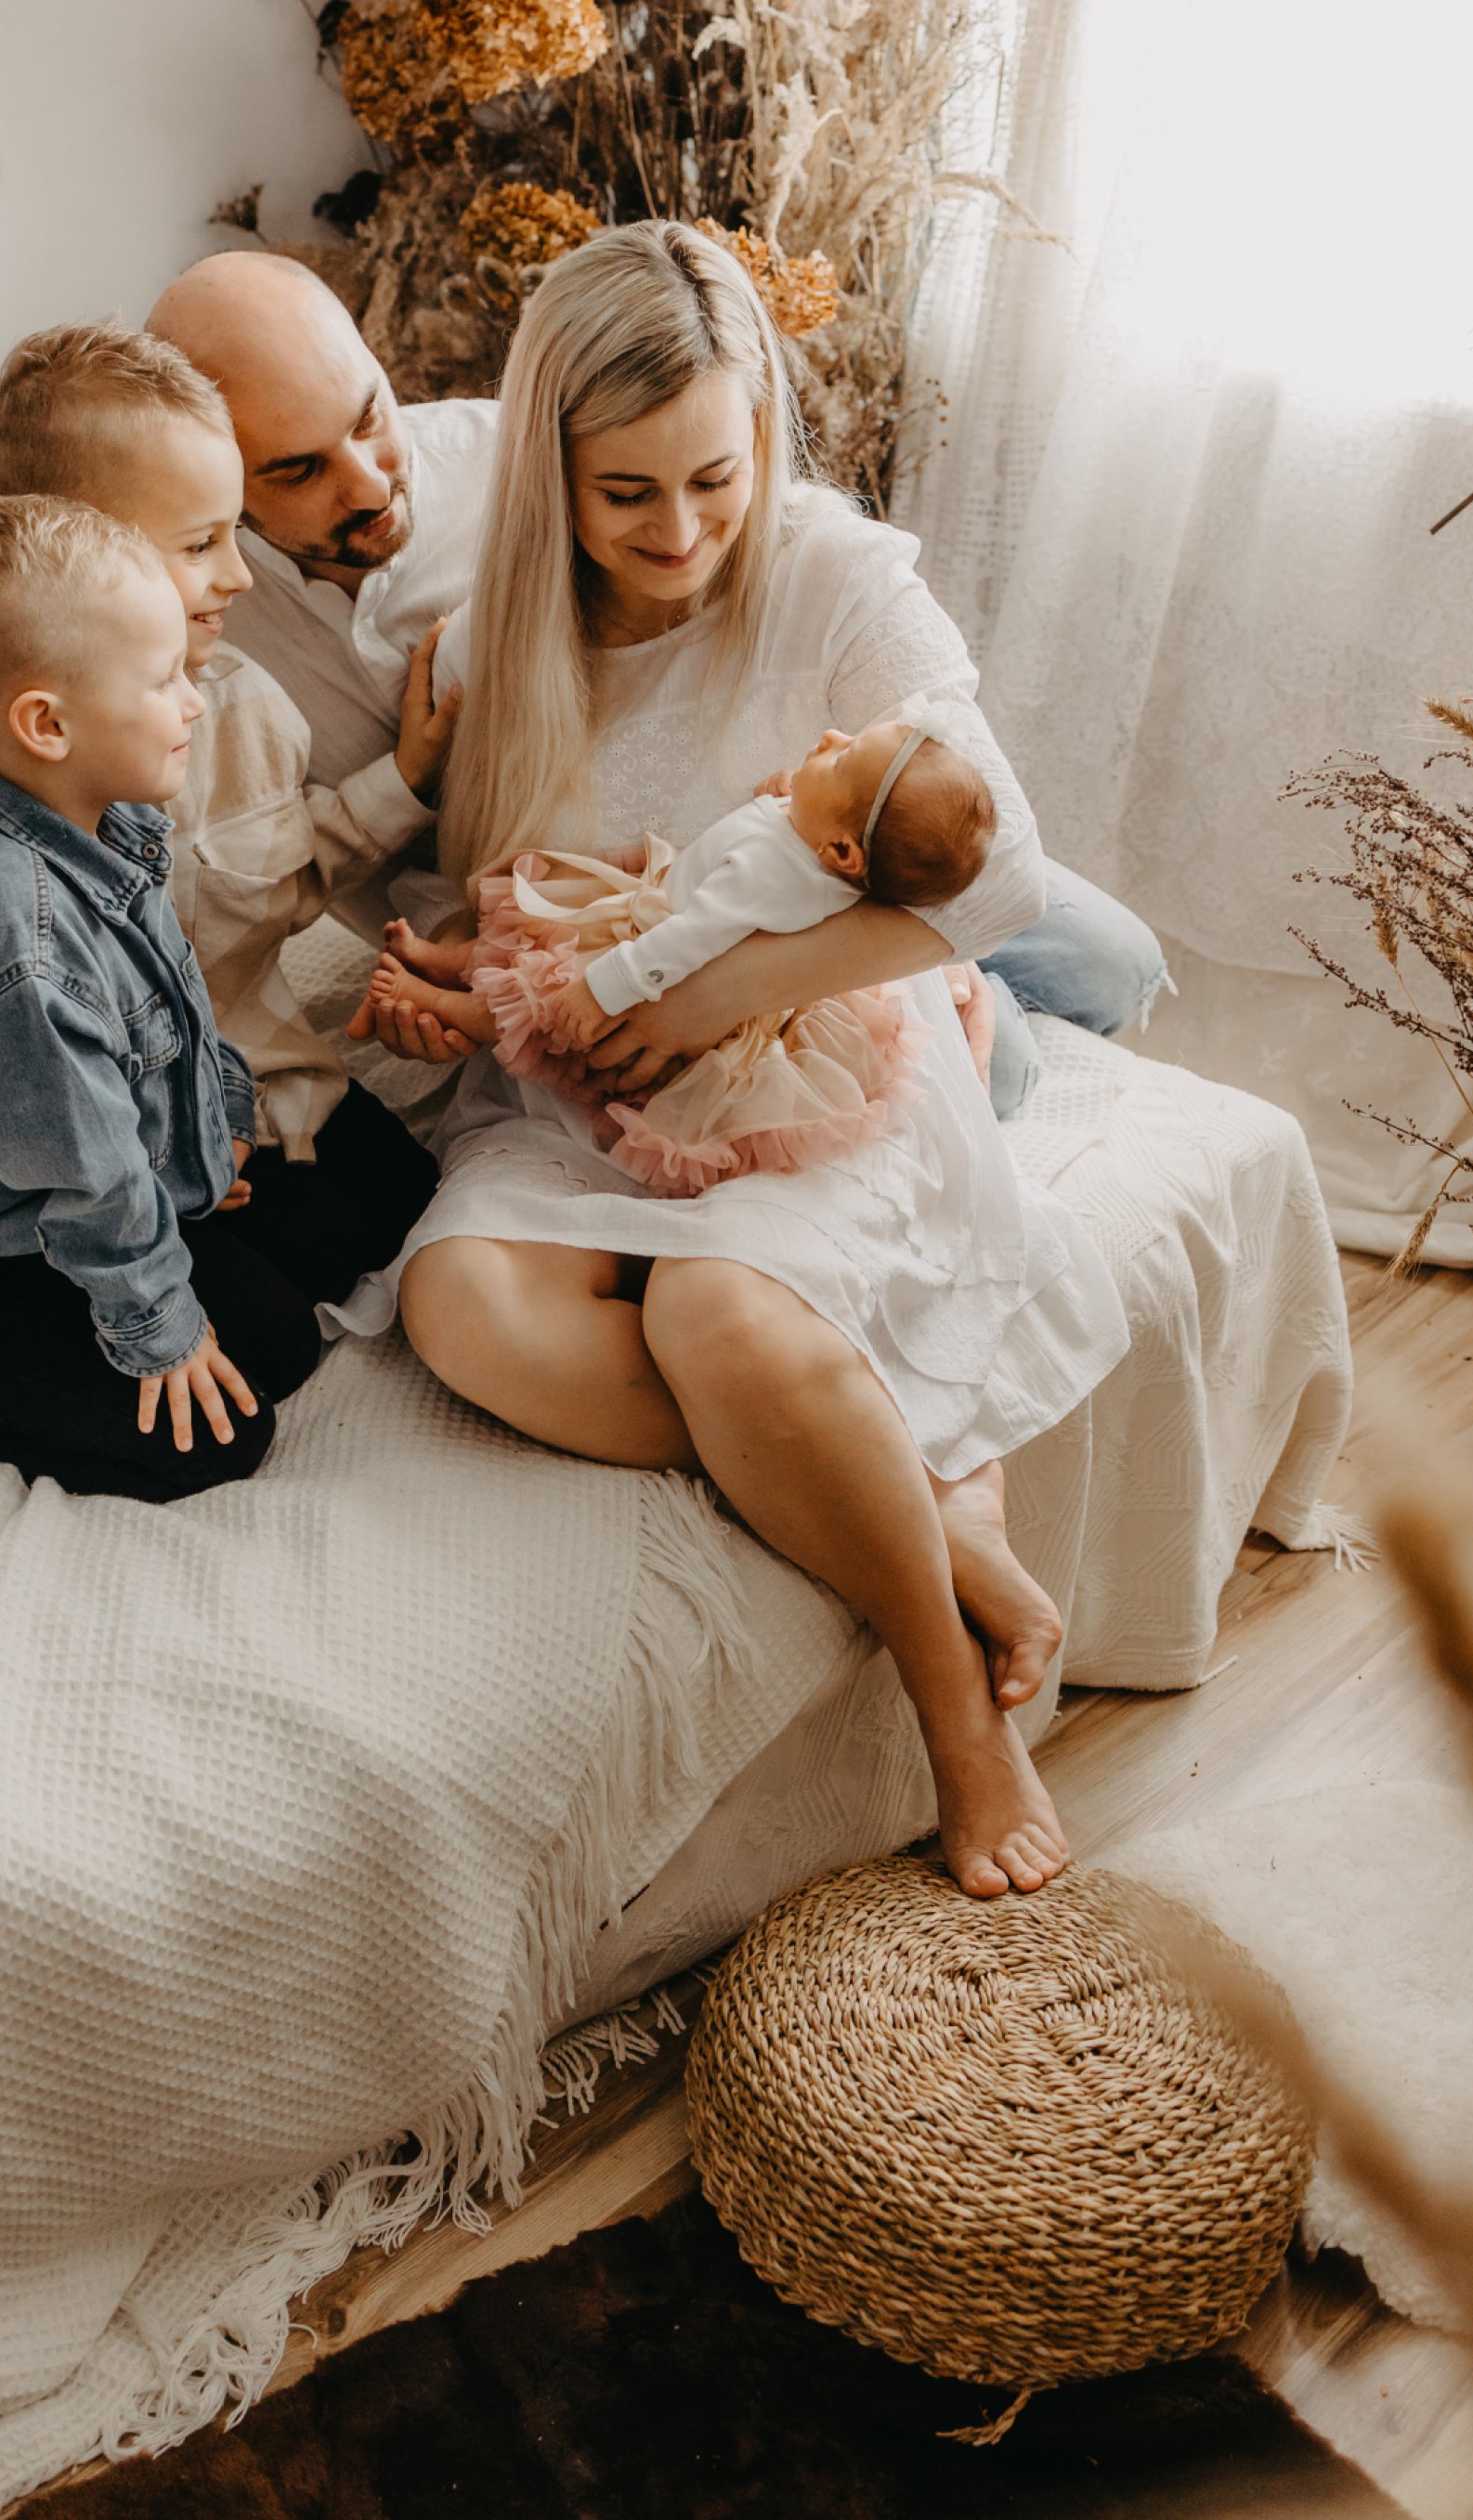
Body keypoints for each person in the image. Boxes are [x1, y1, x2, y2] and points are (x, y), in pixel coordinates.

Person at [344, 221, 1132, 1899]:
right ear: (552, 474)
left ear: (762, 429)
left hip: (805, 1060)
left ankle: (955, 1711)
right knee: (461, 1307)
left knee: (716, 1314)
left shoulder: (837, 582)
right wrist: (436, 970)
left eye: (716, 476)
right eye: (626, 493)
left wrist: (724, 993)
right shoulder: (494, 642)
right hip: (580, 1085)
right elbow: (521, 908)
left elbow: (1000, 873)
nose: (683, 531)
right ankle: (917, 1485)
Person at [147, 248, 1167, 1109]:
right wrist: (455, 916)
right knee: (995, 1072)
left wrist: (906, 940)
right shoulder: (189, 622)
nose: (371, 479)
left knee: (1108, 961)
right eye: (297, 470)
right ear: (211, 478)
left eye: (370, 414)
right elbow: (264, 872)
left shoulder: (515, 455)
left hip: (779, 811)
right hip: (576, 885)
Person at [0, 497, 435, 1500]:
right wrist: (160, 1332)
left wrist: (216, 1135)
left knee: (303, 1289)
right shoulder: (13, 947)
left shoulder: (112, 827)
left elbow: (179, 1012)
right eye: (162, 680)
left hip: (63, 1189)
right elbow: (88, 1177)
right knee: (219, 1437)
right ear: (46, 725)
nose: (194, 704)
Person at [0, 324, 458, 1177]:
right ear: (78, 551)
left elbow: (286, 871)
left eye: (234, 533)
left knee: (416, 1195)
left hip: (266, 1088)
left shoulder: (247, 705)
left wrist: (405, 779)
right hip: (93, 1157)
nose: (240, 575)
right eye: (200, 544)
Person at [359, 708, 993, 1197]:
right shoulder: (816, 843)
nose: (830, 735)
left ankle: (450, 1006)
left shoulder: (771, 875)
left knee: (543, 1002)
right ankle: (446, 959)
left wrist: (604, 986)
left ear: (843, 853)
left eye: (842, 758)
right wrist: (788, 793)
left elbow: (697, 935)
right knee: (539, 930)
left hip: (660, 961)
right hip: (656, 913)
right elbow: (773, 836)